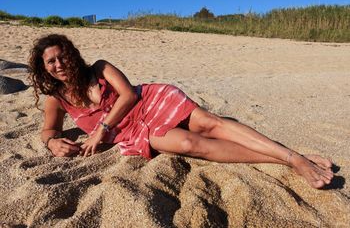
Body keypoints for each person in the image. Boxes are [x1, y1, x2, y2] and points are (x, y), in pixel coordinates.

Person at [29, 34, 334, 189]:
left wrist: (102, 129)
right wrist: (52, 142)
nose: (58, 65)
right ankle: (290, 159)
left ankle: (293, 158)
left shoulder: (100, 68)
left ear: (72, 55)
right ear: (44, 69)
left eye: (62, 56)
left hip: (149, 101)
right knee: (191, 145)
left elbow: (127, 96)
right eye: (50, 62)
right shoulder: (56, 99)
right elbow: (49, 130)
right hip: (135, 131)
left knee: (211, 124)